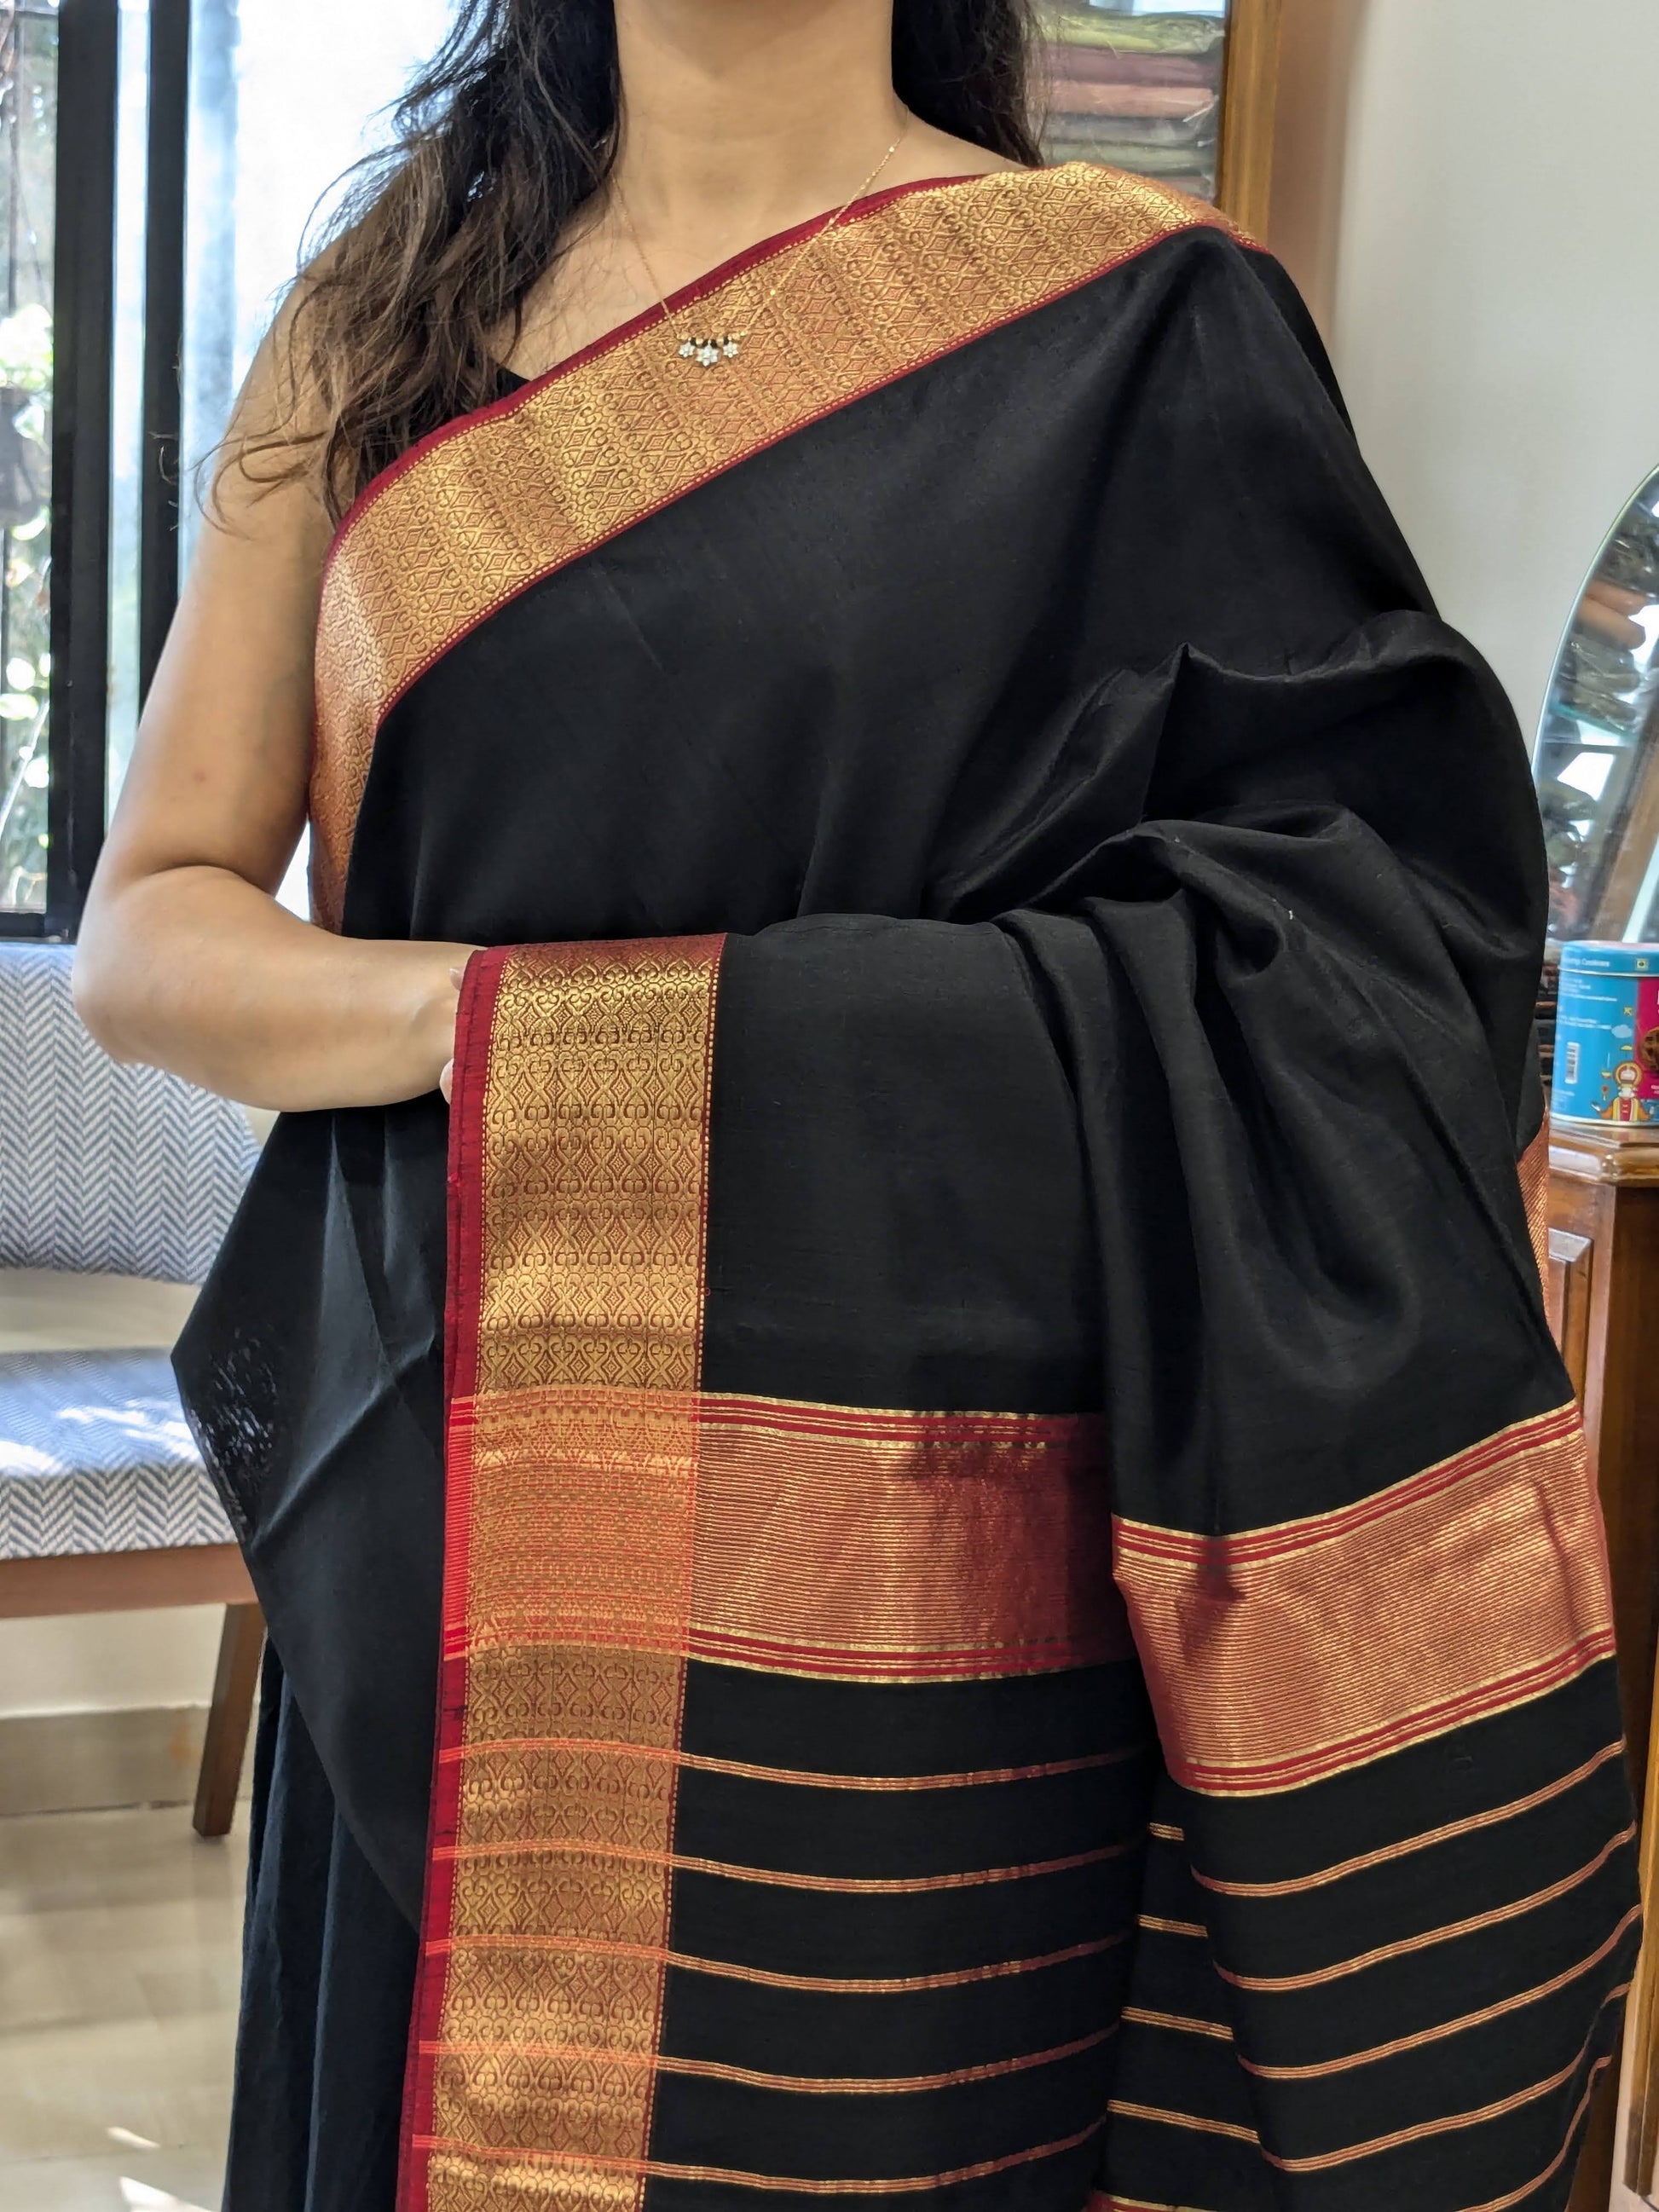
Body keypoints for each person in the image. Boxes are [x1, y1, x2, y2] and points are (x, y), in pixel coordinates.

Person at [74, 3, 1637, 2208]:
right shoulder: (383, 311)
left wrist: (704, 1044)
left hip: (927, 1537)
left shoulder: (1132, 319)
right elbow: (153, 929)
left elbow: (1370, 957)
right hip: (474, 1485)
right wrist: (553, 1032)